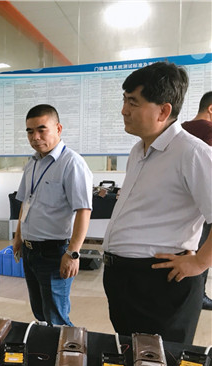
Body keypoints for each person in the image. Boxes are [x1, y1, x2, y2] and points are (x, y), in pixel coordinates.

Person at [102, 62, 212, 344]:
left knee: (161, 362)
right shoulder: (138, 150)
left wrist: (199, 262)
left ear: (163, 111)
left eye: (133, 102)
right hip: (126, 280)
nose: (124, 110)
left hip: (160, 285)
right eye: (124, 101)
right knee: (131, 354)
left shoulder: (192, 153)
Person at [12, 104, 93, 326]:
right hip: (30, 250)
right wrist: (18, 237)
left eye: (42, 129)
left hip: (54, 253)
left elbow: (83, 210)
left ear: (58, 128)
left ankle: (68, 348)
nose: (35, 137)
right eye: (30, 131)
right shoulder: (32, 163)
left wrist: (73, 253)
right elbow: (25, 203)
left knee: (56, 317)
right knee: (39, 311)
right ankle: (45, 346)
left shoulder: (72, 163)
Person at [182, 91, 212, 311]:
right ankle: (198, 295)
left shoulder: (179, 130)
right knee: (202, 251)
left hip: (181, 204)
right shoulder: (209, 131)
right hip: (203, 203)